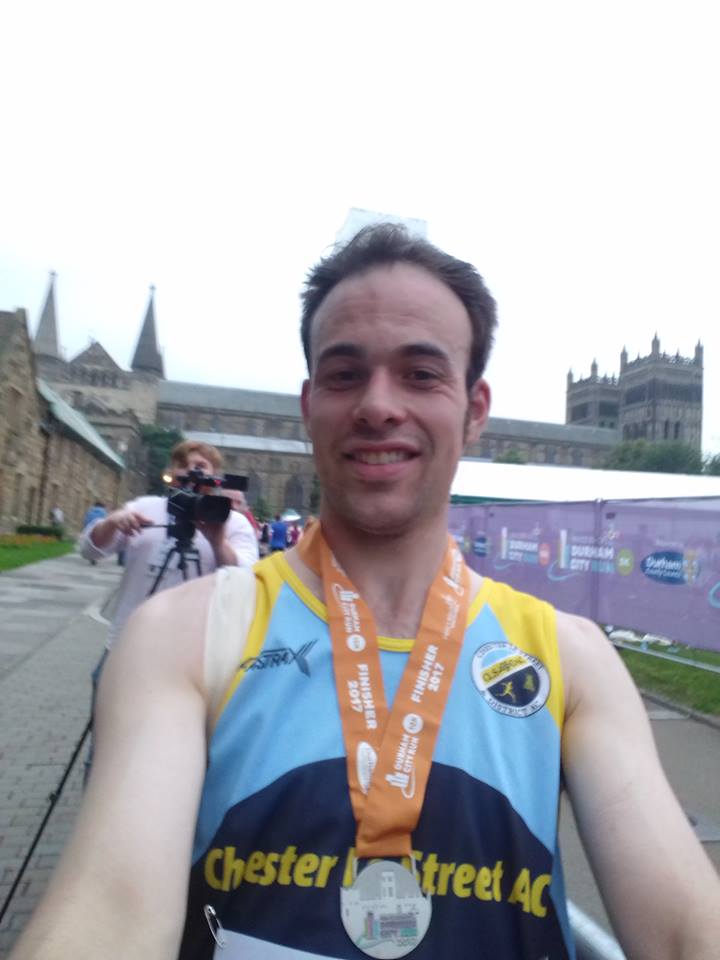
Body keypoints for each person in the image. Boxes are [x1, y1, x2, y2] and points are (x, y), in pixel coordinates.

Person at [11, 226, 720, 960]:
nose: (379, 404)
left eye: (421, 373)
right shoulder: (180, 636)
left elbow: (684, 931)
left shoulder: (570, 656)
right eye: (346, 374)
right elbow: (112, 911)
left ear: (476, 409)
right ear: (308, 404)